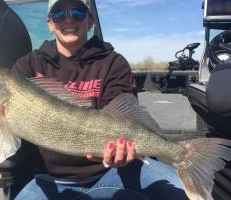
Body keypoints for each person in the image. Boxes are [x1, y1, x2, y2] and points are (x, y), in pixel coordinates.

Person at [10, 0, 189, 199]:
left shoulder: (113, 62)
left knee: (180, 193)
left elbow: (124, 112)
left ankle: (183, 155)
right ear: (50, 23)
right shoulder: (27, 65)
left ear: (90, 21)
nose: (68, 18)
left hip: (114, 172)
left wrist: (122, 153)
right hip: (48, 179)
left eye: (78, 12)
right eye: (59, 14)